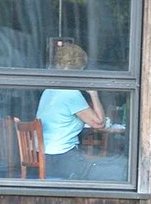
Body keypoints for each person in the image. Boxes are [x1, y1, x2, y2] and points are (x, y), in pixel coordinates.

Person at [35, 42, 125, 181]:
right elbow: (99, 123)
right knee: (119, 167)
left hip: (44, 158)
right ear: (79, 69)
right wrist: (93, 92)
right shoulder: (71, 93)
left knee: (103, 162)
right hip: (61, 159)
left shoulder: (49, 90)